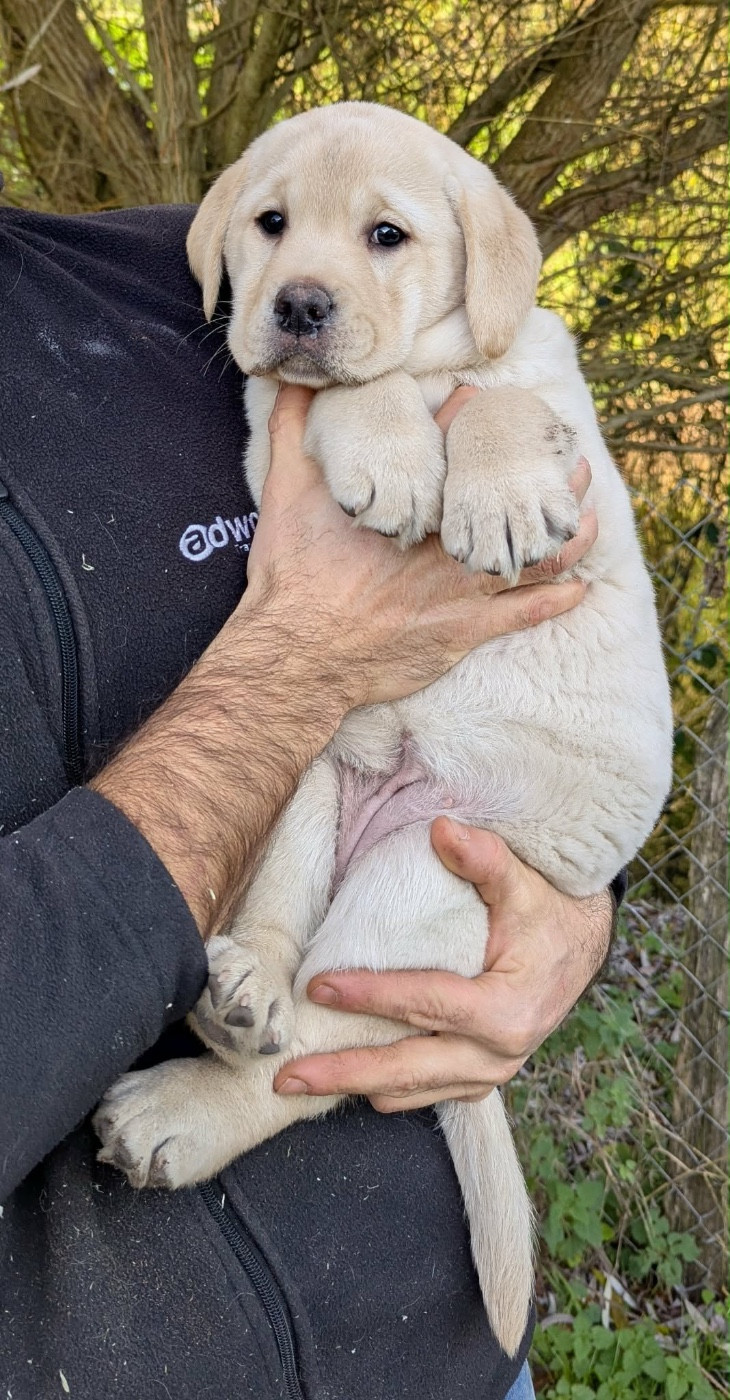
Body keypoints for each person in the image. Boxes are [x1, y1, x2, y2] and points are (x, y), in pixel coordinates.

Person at [0, 200, 620, 1400]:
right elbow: (340, 642)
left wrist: (568, 898)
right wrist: (299, 659)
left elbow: (532, 564)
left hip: (454, 1352)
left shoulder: (189, 270)